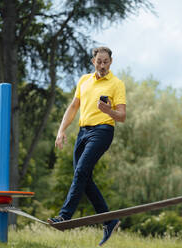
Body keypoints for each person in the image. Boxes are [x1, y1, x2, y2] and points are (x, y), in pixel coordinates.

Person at [48, 46, 126, 246]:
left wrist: (109, 110)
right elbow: (74, 106)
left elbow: (122, 116)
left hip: (102, 131)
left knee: (81, 171)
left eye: (106, 61)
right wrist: (61, 129)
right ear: (93, 62)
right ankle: (109, 220)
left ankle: (65, 216)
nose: (102, 65)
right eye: (99, 61)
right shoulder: (84, 80)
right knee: (83, 177)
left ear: (111, 62)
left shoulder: (117, 84)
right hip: (83, 132)